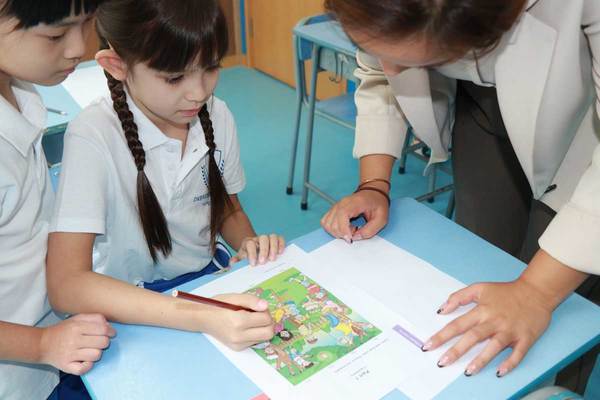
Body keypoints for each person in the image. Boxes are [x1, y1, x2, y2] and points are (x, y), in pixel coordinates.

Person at [322, 0, 600, 380]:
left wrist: (536, 293)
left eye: (405, 60)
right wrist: (374, 184)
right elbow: (379, 67)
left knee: (559, 307)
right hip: (481, 109)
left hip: (584, 123)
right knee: (477, 273)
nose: (391, 70)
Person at [47, 0, 283, 352]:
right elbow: (66, 284)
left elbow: (227, 207)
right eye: (174, 77)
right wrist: (199, 315)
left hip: (204, 284)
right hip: (126, 303)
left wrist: (248, 242)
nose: (199, 92)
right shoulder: (93, 135)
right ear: (117, 66)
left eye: (211, 67)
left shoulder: (218, 116)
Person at [0, 1, 116, 399]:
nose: (78, 48)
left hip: (52, 342)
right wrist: (42, 344)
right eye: (55, 34)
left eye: (86, 24)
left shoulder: (20, 89)